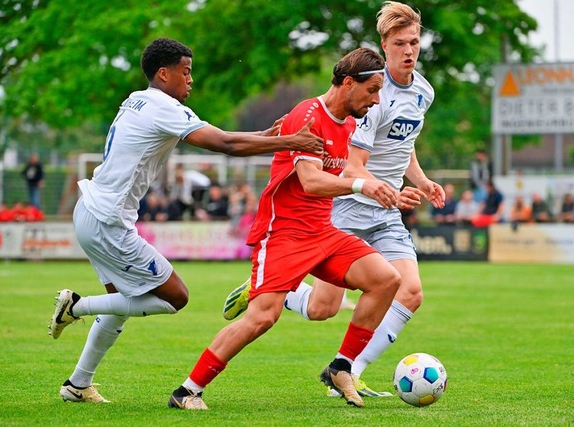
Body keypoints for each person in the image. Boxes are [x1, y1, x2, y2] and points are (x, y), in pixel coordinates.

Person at [46, 38, 323, 404]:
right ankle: (75, 307)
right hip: (108, 221)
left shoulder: (138, 99)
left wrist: (265, 137)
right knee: (175, 297)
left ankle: (77, 385)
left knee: (119, 304)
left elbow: (226, 139)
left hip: (92, 211)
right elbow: (224, 145)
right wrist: (292, 141)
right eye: (186, 72)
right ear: (164, 74)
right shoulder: (163, 106)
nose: (190, 80)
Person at [222, 1, 445, 399]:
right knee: (323, 308)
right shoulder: (370, 95)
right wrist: (384, 189)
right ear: (384, 45)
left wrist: (424, 180)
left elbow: (403, 145)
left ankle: (347, 370)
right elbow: (353, 166)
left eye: (414, 42)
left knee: (410, 292)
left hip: (386, 211)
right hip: (348, 207)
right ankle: (277, 290)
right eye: (400, 43)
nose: (409, 51)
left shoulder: (423, 92)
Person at [169, 47, 399, 411]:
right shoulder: (307, 115)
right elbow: (310, 181)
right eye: (372, 90)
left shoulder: (349, 123)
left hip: (323, 231)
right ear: (348, 83)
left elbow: (348, 170)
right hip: (284, 234)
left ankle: (341, 367)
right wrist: (363, 187)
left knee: (385, 279)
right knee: (262, 318)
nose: (376, 99)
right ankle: (187, 390)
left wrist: (388, 187)